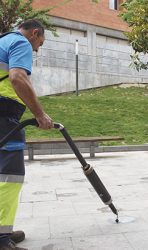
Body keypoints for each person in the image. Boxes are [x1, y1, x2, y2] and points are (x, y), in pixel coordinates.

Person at [0, 20, 53, 250]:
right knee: (9, 176)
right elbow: (17, 78)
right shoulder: (20, 42)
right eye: (39, 44)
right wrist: (40, 114)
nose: (37, 49)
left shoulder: (3, 41)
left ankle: (4, 230)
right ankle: (1, 238)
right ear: (34, 33)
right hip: (3, 117)